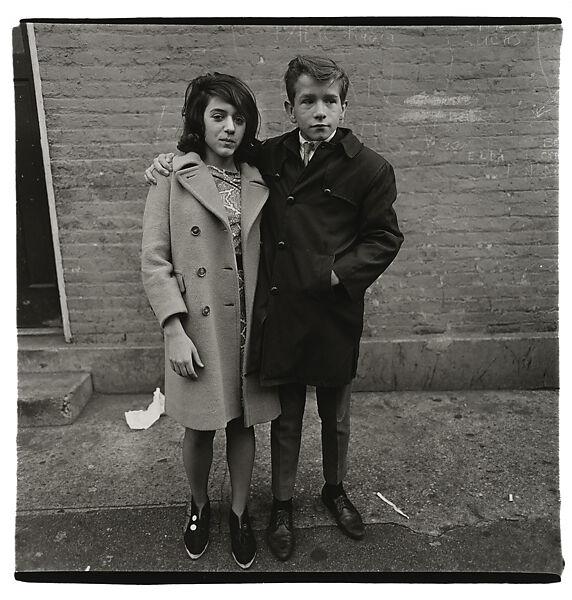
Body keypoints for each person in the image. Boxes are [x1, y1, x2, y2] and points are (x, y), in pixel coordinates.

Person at [145, 55, 403, 561]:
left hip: (331, 310)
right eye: (308, 101)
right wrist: (167, 160)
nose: (321, 112)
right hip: (275, 312)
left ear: (344, 106)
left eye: (331, 101)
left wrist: (337, 274)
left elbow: (384, 236)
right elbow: (203, 172)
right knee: (282, 417)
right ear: (290, 107)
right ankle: (279, 504)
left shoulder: (368, 167)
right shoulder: (271, 156)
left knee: (336, 415)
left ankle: (334, 489)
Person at [141, 72, 280, 570]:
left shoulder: (259, 175)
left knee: (244, 425)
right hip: (197, 327)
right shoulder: (171, 177)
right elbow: (154, 260)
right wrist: (173, 329)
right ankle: (199, 506)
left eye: (239, 118)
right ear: (198, 119)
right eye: (218, 116)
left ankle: (239, 513)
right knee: (200, 427)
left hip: (250, 324)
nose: (229, 128)